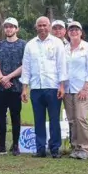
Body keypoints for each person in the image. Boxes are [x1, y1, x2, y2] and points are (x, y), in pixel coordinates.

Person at [21, 16, 68, 158]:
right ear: (36, 27)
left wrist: (62, 86)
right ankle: (40, 149)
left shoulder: (57, 43)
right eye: (39, 25)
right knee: (38, 119)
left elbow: (61, 65)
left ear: (49, 27)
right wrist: (24, 88)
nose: (42, 28)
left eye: (45, 25)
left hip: (53, 87)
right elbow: (26, 68)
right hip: (36, 87)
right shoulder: (30, 45)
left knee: (54, 119)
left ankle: (54, 148)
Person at [63, 21, 88, 160]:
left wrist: (85, 88)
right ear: (68, 32)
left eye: (76, 29)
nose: (74, 32)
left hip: (83, 89)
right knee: (72, 119)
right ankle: (75, 147)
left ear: (81, 32)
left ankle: (85, 148)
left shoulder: (87, 47)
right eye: (71, 29)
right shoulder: (64, 48)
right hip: (67, 89)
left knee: (81, 118)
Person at [0, 17, 25, 155]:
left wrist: (8, 77)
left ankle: (16, 144)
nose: (9, 29)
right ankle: (1, 144)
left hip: (16, 87)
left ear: (17, 29)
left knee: (15, 117)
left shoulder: (23, 45)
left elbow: (25, 66)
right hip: (1, 87)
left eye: (11, 26)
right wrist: (2, 79)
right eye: (6, 27)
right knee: (0, 117)